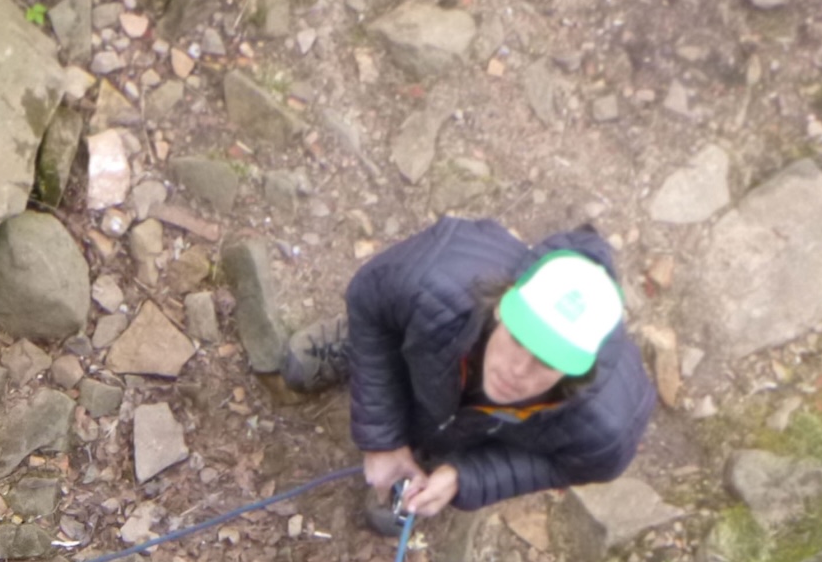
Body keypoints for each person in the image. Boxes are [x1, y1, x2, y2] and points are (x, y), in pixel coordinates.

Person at [281, 219, 657, 531]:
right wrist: (382, 439)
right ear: (501, 306)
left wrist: (466, 476)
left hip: (479, 431)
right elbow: (369, 300)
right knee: (395, 327)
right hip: (428, 341)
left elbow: (560, 466)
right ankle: (366, 354)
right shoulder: (432, 278)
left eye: (545, 361)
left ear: (578, 370)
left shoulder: (607, 430)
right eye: (518, 337)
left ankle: (429, 456)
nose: (516, 370)